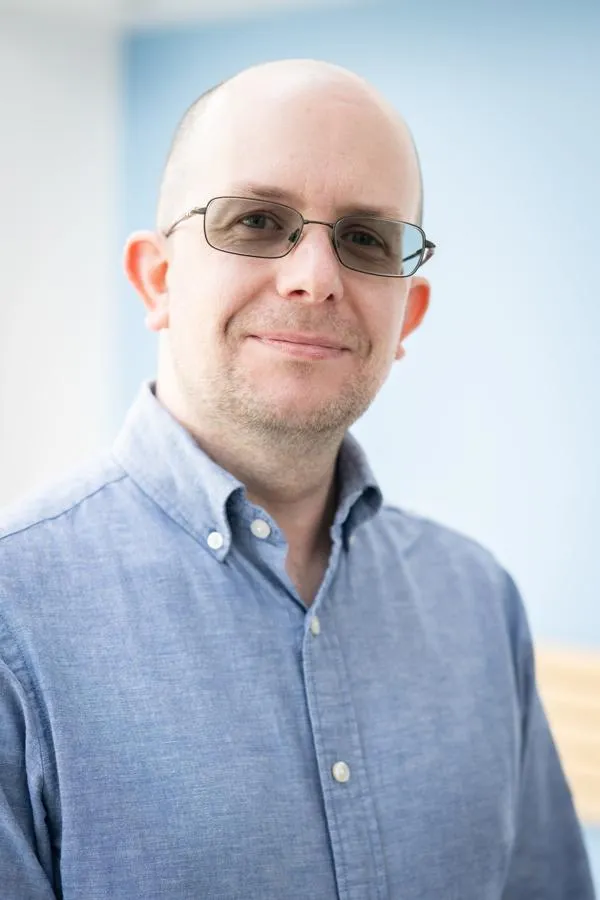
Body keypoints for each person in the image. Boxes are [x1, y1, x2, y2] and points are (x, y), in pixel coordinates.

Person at [0, 58, 594, 900]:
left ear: (407, 315)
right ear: (157, 279)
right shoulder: (15, 615)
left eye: (365, 239)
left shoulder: (479, 603)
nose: (315, 277)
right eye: (256, 221)